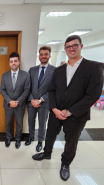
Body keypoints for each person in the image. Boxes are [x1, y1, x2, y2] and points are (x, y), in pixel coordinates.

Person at [32, 35, 104, 181]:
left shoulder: (94, 67)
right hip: (56, 111)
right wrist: (54, 109)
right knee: (50, 134)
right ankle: (46, 153)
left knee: (71, 141)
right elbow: (52, 90)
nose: (71, 48)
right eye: (68, 46)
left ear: (81, 46)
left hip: (77, 114)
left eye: (74, 45)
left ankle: (65, 164)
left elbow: (92, 95)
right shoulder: (59, 70)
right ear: (65, 49)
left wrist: (69, 111)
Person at [25, 46, 55, 152]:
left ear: (49, 55)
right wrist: (32, 99)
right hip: (31, 102)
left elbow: (53, 89)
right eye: (41, 54)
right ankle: (31, 137)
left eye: (46, 54)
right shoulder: (32, 70)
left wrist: (40, 100)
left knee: (42, 123)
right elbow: (27, 87)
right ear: (39, 55)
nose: (43, 56)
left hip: (45, 102)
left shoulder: (55, 70)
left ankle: (40, 141)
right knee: (31, 121)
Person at [0, 52, 30, 149]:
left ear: (19, 62)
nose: (13, 63)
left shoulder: (25, 75)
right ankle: (8, 137)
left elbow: (27, 90)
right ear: (9, 63)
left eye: (15, 61)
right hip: (8, 105)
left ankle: (18, 139)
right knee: (8, 123)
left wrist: (17, 101)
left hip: (20, 105)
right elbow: (2, 89)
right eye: (11, 61)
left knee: (19, 123)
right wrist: (10, 101)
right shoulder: (4, 76)